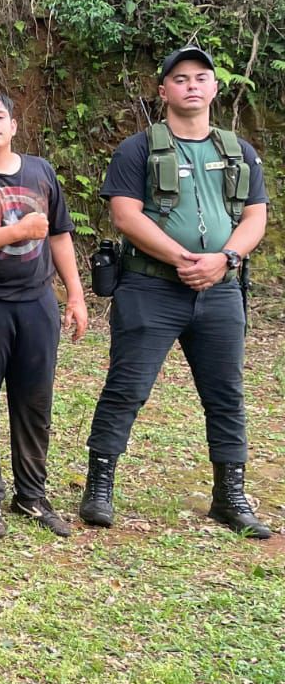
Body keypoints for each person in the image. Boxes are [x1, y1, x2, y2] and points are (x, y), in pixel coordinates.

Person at [80, 45, 271, 537]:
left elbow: (256, 215)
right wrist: (182, 258)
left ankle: (230, 495)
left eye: (201, 78)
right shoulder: (137, 149)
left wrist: (225, 259)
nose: (191, 86)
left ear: (214, 88)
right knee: (127, 388)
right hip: (150, 286)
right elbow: (125, 214)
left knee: (226, 393)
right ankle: (99, 487)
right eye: (180, 79)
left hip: (221, 289)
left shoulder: (238, 151)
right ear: (163, 91)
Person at [0, 89, 87, 539]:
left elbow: (59, 235)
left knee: (34, 400)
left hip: (37, 301)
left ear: (14, 126)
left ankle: (32, 494)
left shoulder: (41, 171)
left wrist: (75, 295)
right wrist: (16, 231)